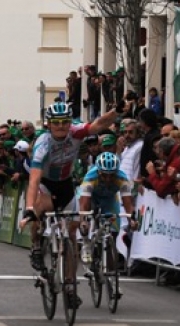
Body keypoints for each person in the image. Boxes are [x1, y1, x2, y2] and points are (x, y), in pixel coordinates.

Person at [21, 100, 119, 307]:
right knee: (40, 211)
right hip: (46, 184)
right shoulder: (42, 145)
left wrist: (117, 111)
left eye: (64, 122)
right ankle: (36, 246)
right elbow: (34, 180)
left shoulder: (75, 132)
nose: (61, 126)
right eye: (56, 123)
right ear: (48, 124)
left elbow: (99, 124)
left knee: (72, 238)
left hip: (65, 184)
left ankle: (70, 286)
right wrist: (29, 209)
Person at [77, 152, 135, 265]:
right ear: (98, 171)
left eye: (112, 175)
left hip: (109, 199)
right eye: (104, 175)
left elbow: (128, 204)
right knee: (85, 218)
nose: (108, 179)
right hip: (91, 198)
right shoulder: (90, 178)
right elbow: (84, 205)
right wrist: (83, 220)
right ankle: (85, 243)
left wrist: (132, 220)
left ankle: (108, 269)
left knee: (113, 231)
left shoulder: (122, 179)